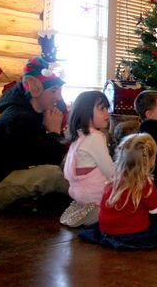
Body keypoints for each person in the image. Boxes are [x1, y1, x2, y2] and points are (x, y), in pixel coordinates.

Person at [0, 56, 69, 212]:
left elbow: (43, 153)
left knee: (67, 163)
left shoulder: (32, 111)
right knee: (53, 175)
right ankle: (86, 199)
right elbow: (49, 158)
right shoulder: (18, 119)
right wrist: (54, 132)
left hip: (6, 175)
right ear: (35, 89)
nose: (58, 97)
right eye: (54, 91)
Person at [78, 133, 157, 249]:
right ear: (150, 160)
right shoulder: (144, 183)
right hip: (132, 235)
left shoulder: (114, 179)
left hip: (107, 231)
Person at [60, 91, 114, 227]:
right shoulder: (95, 137)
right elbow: (111, 172)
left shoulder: (79, 136)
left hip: (79, 193)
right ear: (86, 111)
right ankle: (100, 212)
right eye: (102, 109)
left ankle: (86, 209)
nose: (107, 114)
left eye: (107, 108)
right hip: (95, 193)